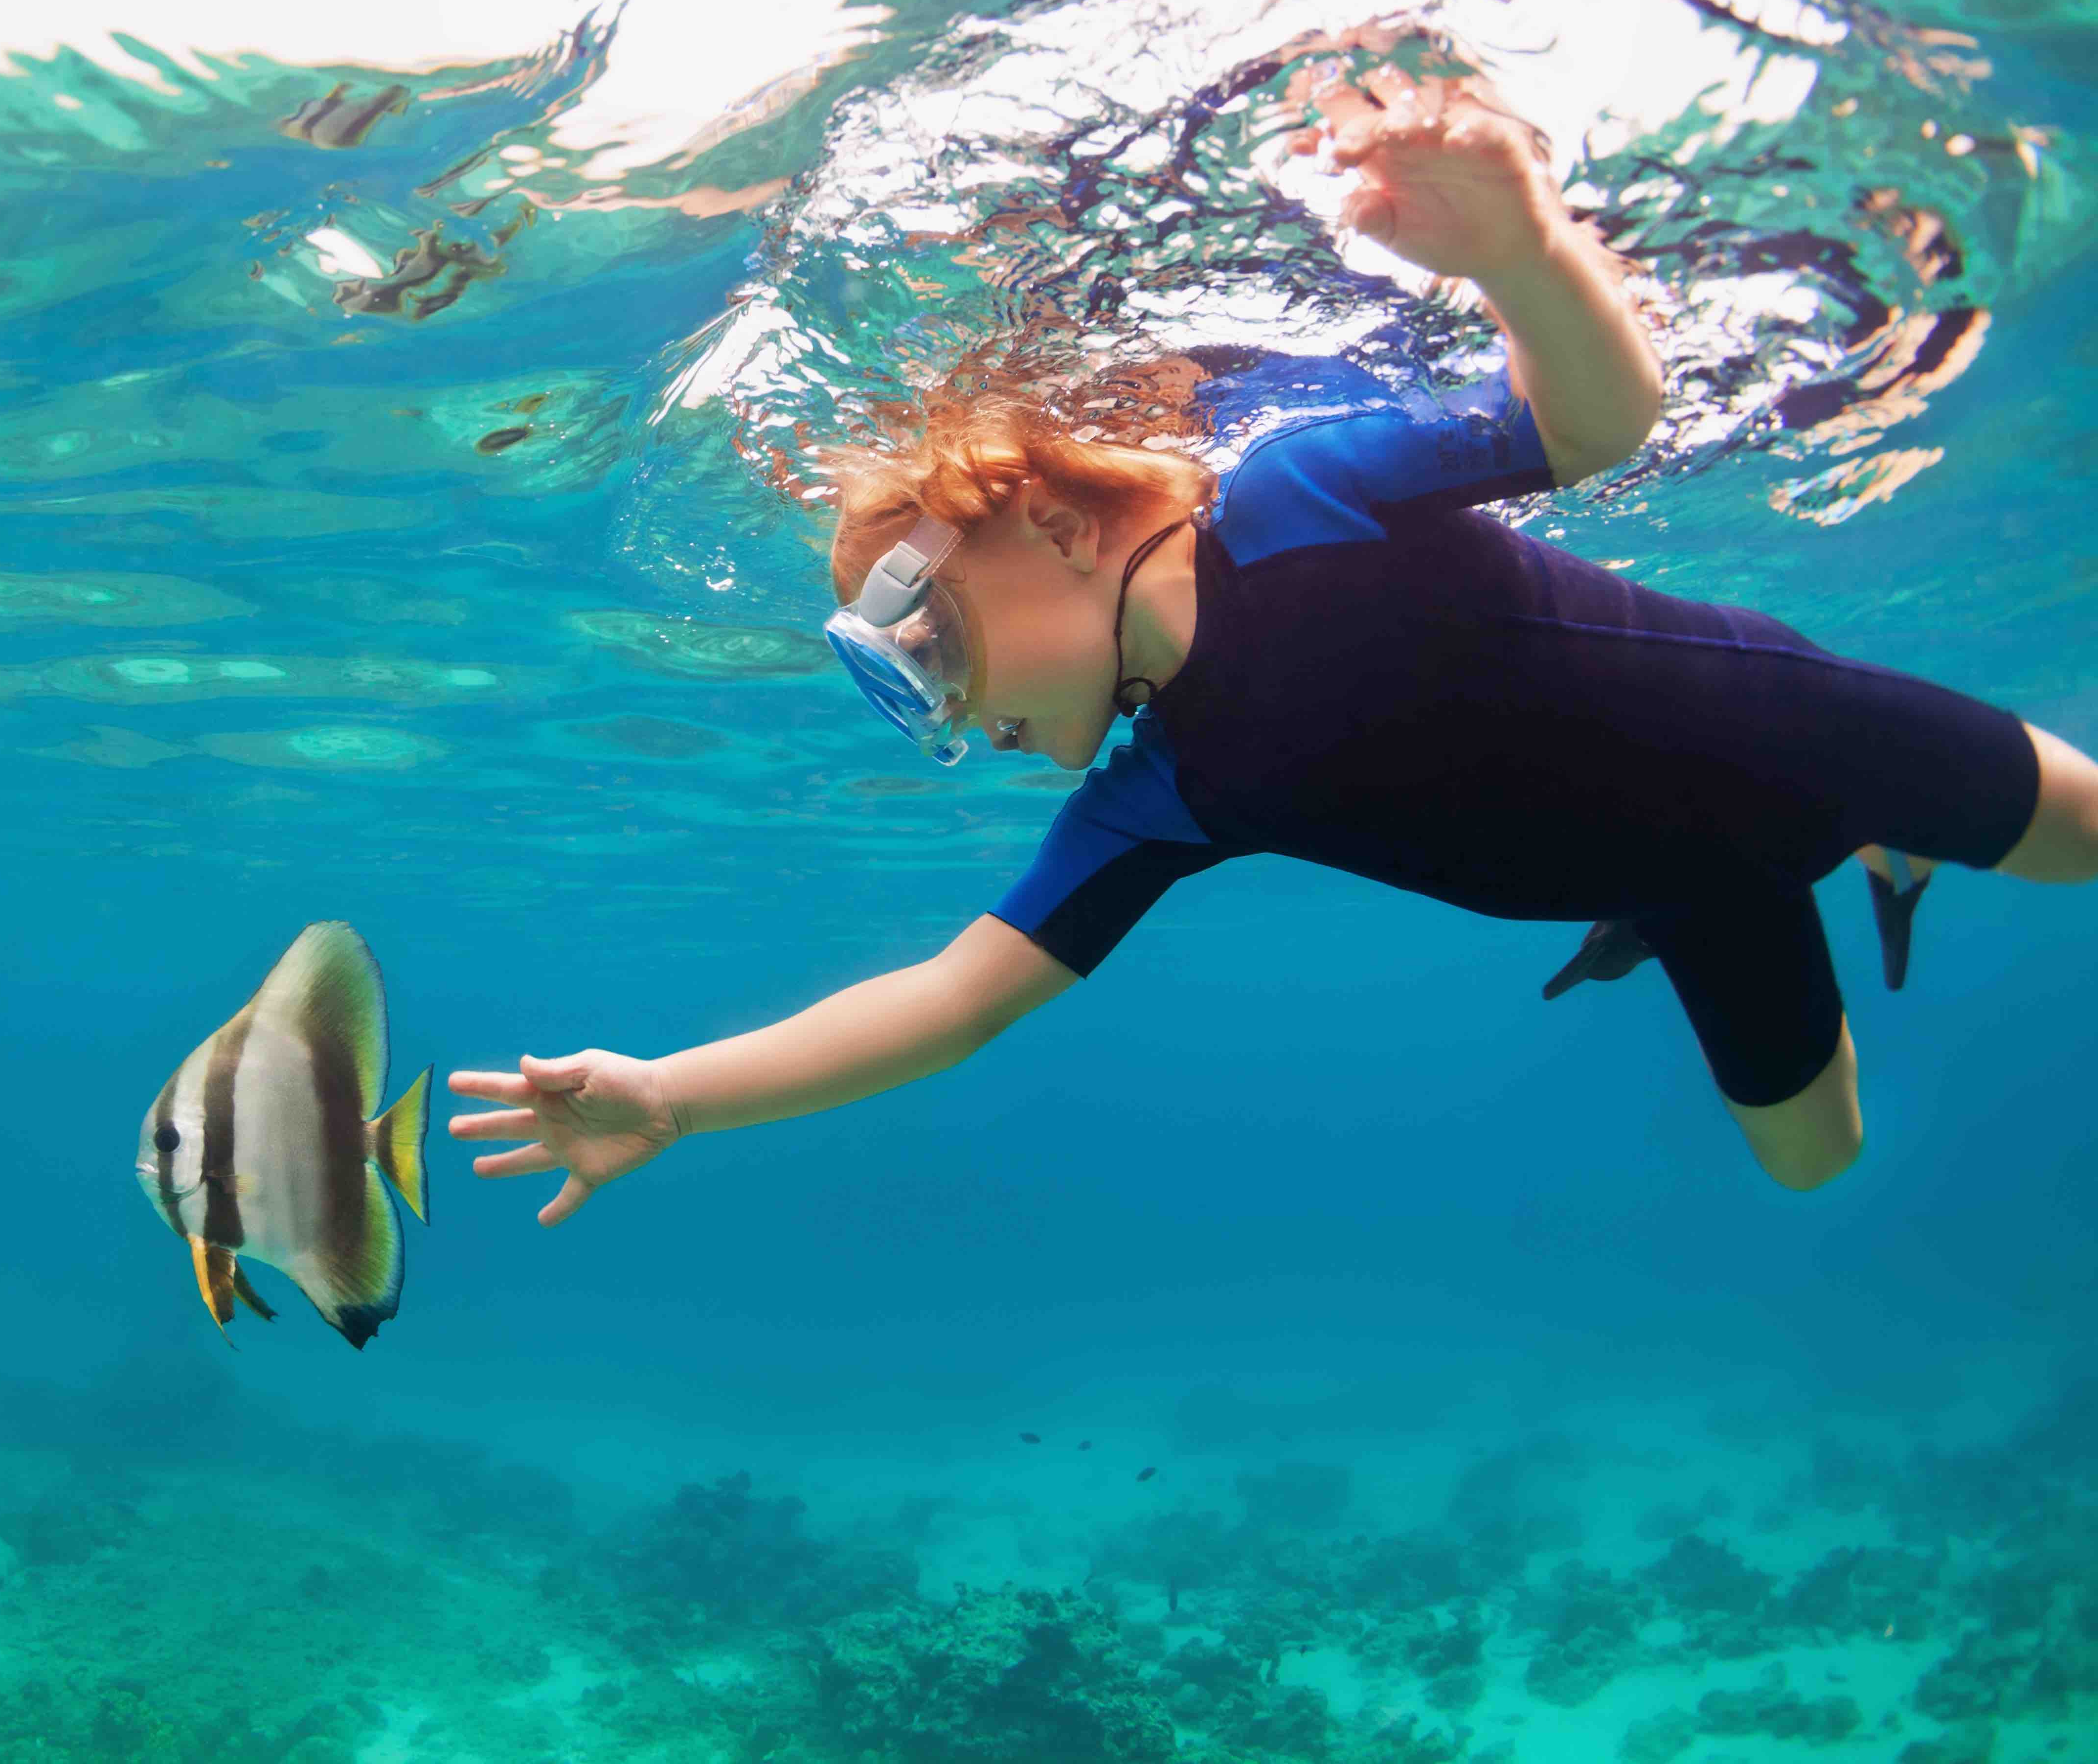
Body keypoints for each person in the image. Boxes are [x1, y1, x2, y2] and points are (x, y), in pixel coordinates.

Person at [450, 61, 2098, 1217]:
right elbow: (955, 1000)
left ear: (1053, 524)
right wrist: (676, 1095)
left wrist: (1523, 258)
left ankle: (1881, 833)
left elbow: (1593, 426)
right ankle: (1818, 871)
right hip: (1684, 883)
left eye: (927, 640)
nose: (945, 709)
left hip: (1806, 739)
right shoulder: (1160, 793)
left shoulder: (1300, 494)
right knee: (1817, 1163)